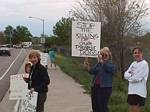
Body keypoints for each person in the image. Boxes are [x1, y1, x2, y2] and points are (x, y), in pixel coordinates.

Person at [84, 47, 116, 112]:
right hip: (95, 87)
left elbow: (112, 70)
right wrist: (87, 67)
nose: (103, 56)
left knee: (103, 106)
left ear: (109, 56)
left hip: (105, 88)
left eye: (105, 55)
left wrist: (102, 63)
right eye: (102, 55)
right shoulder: (98, 64)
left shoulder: (111, 65)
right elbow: (92, 71)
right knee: (95, 105)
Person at [124, 47, 149, 112]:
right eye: (135, 53)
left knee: (136, 110)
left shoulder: (144, 64)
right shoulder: (133, 64)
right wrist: (131, 75)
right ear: (133, 55)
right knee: (131, 109)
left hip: (139, 92)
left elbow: (138, 78)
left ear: (142, 54)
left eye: (138, 53)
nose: (137, 54)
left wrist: (130, 78)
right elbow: (125, 75)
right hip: (131, 91)